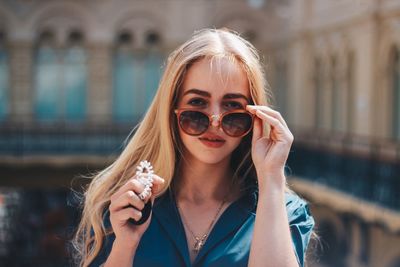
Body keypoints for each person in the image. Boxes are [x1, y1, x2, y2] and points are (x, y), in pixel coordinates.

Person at [73, 28, 315, 267]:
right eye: (197, 104)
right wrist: (124, 246)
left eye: (232, 107)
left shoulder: (284, 213)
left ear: (255, 117)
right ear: (171, 110)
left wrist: (271, 175)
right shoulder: (125, 206)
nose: (215, 121)